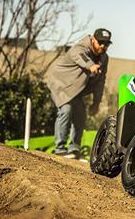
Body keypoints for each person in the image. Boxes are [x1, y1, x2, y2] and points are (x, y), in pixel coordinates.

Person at [46, 28, 111, 159]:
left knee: (80, 116)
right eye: (100, 42)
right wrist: (91, 65)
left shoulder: (104, 58)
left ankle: (74, 150)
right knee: (66, 110)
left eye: (107, 44)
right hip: (61, 84)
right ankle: (60, 149)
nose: (103, 46)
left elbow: (100, 82)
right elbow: (80, 57)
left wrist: (96, 103)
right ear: (93, 40)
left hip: (75, 90)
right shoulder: (80, 47)